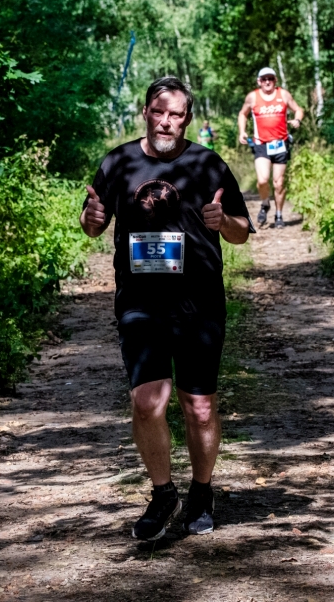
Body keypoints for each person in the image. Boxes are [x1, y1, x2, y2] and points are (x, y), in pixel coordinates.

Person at [80, 77, 253, 541]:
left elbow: (240, 231)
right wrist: (90, 219)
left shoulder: (208, 164)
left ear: (187, 119)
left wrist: (223, 221)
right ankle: (163, 495)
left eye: (175, 115)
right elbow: (92, 222)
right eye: (158, 112)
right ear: (146, 112)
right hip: (140, 302)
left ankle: (201, 492)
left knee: (200, 408)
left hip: (199, 303)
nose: (165, 122)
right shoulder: (118, 162)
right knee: (146, 403)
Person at [237, 67, 304, 228]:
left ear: (275, 80)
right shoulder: (253, 97)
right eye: (264, 79)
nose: (267, 81)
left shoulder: (283, 94)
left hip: (281, 143)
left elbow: (298, 109)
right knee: (262, 180)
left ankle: (279, 215)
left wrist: (297, 120)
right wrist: (242, 131)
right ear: (259, 81)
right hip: (261, 144)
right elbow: (242, 114)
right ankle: (265, 202)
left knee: (278, 183)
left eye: (270, 78)